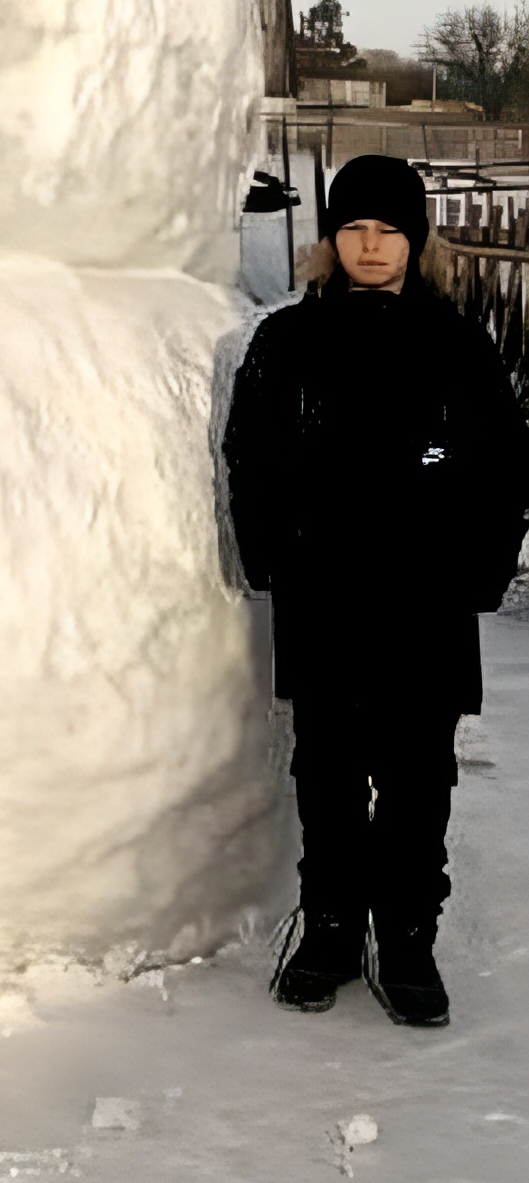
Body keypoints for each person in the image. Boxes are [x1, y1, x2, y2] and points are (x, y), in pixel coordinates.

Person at [223, 153, 529, 1027]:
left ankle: (405, 935)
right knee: (324, 769)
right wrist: (271, 556)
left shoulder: (455, 344)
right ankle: (329, 927)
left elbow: (501, 466)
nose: (369, 245)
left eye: (387, 230)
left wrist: (480, 567)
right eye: (353, 228)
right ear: (331, 240)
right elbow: (253, 455)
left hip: (422, 599)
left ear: (413, 240)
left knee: (416, 774)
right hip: (324, 591)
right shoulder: (289, 340)